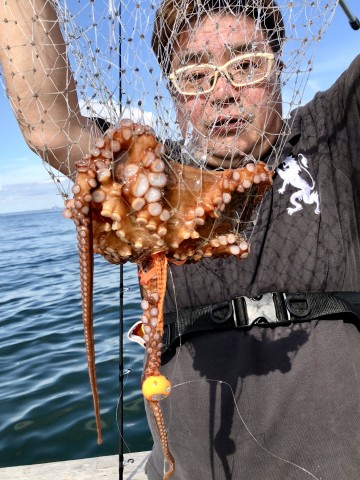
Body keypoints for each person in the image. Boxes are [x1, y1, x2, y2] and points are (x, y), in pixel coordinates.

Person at [1, 1, 359, 479]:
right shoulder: (152, 177)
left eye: (246, 64)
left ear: (280, 69)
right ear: (173, 95)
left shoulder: (332, 136)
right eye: (194, 76)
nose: (222, 93)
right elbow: (50, 128)